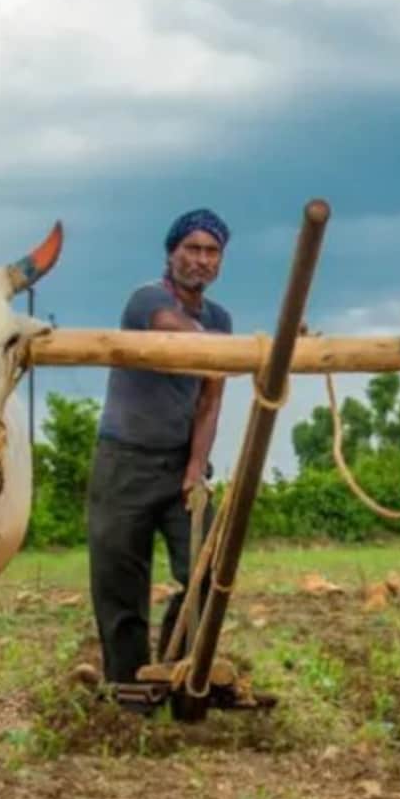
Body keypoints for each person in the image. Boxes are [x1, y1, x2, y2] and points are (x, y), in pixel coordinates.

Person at [85, 208, 234, 684]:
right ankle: (127, 686)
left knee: (208, 569)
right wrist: (235, 352)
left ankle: (175, 667)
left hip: (179, 464)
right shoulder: (146, 300)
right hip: (123, 460)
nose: (201, 260)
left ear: (220, 262)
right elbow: (177, 334)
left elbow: (210, 399)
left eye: (211, 252)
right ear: (171, 254)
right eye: (192, 249)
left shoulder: (220, 319)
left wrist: (195, 467)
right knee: (120, 582)